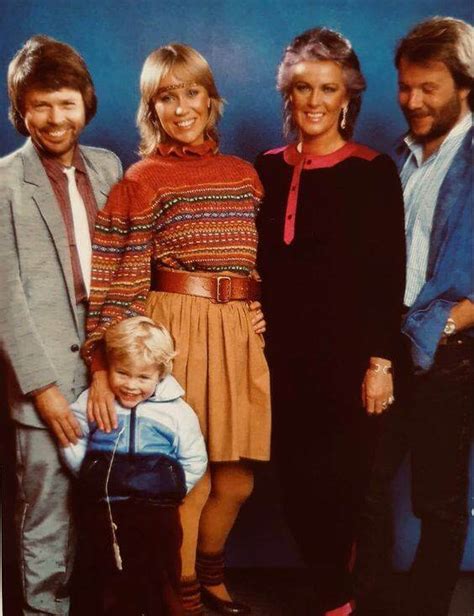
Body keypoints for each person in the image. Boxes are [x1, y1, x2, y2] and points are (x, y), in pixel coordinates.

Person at [82, 43, 271, 615]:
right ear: (152, 108)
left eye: (192, 92)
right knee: (188, 475)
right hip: (175, 329)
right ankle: (182, 588)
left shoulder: (244, 176)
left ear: (211, 100)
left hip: (236, 334)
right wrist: (101, 363)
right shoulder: (142, 179)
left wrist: (254, 301)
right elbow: (116, 276)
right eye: (167, 97)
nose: (182, 107)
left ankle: (210, 570)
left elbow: (251, 259)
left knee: (236, 479)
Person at [255, 28, 406, 615]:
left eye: (327, 88)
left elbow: (387, 276)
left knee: (341, 488)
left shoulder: (372, 171)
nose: (313, 101)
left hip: (347, 364)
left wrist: (380, 363)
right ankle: (327, 593)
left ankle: (339, 600)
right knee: (293, 484)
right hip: (278, 361)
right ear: (287, 94)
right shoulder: (266, 168)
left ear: (348, 97)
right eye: (302, 88)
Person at [353, 17, 474, 616]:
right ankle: (371, 604)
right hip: (390, 340)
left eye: (429, 87)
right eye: (405, 86)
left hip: (448, 351)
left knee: (439, 501)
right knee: (366, 483)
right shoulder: (402, 157)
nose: (412, 100)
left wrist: (451, 324)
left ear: (465, 86)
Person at [0, 35, 122, 615]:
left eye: (66, 103)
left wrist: (112, 367)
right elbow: (6, 299)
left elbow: (123, 269)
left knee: (109, 512)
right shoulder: (4, 182)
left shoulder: (108, 166)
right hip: (42, 379)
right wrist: (43, 388)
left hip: (108, 372)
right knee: (45, 516)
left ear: (85, 104)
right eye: (40, 105)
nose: (55, 119)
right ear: (21, 110)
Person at [62, 316, 208, 615]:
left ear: (161, 374)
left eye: (143, 377)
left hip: (157, 514)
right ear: (109, 367)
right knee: (101, 578)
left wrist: (172, 488)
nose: (131, 385)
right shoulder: (94, 400)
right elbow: (71, 436)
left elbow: (195, 458)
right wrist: (89, 474)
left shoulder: (177, 412)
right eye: (122, 373)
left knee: (159, 578)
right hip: (104, 509)